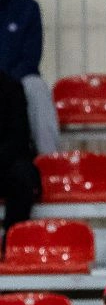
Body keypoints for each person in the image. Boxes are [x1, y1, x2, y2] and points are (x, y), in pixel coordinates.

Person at [0, 0, 60, 154]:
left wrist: (5, 83)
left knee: (37, 87)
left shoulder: (27, 8)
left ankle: (50, 159)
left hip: (18, 81)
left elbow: (31, 58)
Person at [0, 71, 41, 257]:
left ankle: (12, 245)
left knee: (22, 176)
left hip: (6, 164)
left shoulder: (12, 87)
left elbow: (18, 138)